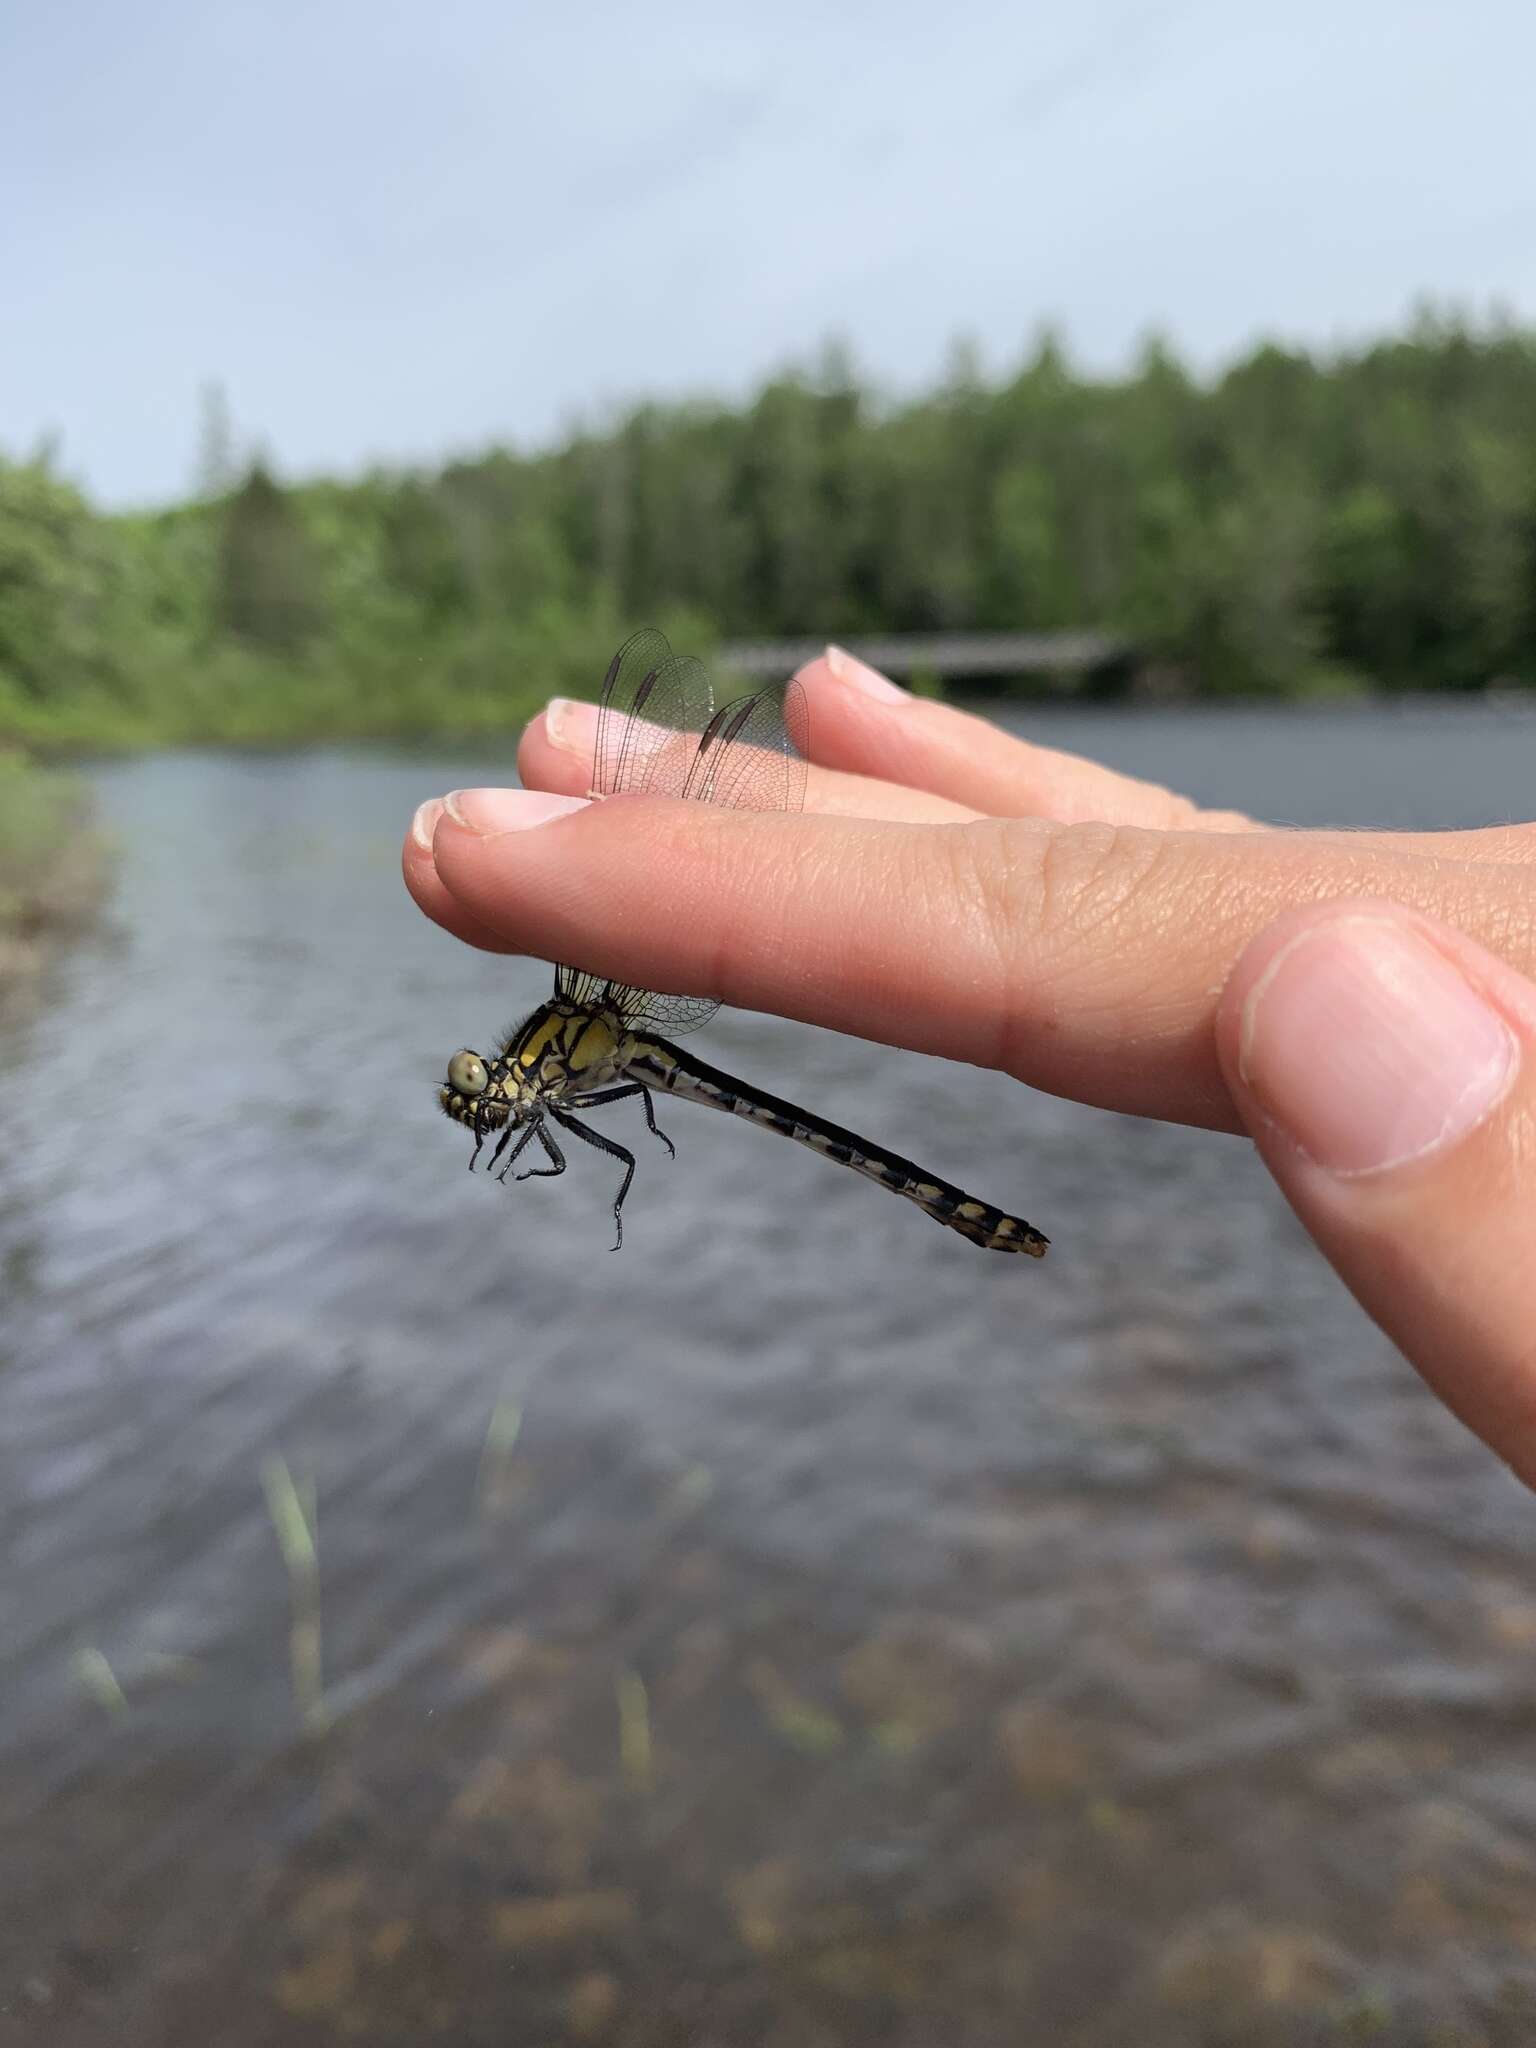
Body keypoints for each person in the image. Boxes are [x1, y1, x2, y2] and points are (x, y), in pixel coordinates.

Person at [403, 647, 1536, 1489]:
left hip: (634, 1056)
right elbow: (583, 1140)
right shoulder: (552, 1078)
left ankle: (986, 1220)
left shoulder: (568, 1043)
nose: (483, 1095)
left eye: (480, 1085)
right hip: (628, 1063)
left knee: (702, 1119)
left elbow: (593, 1140)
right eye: (480, 1092)